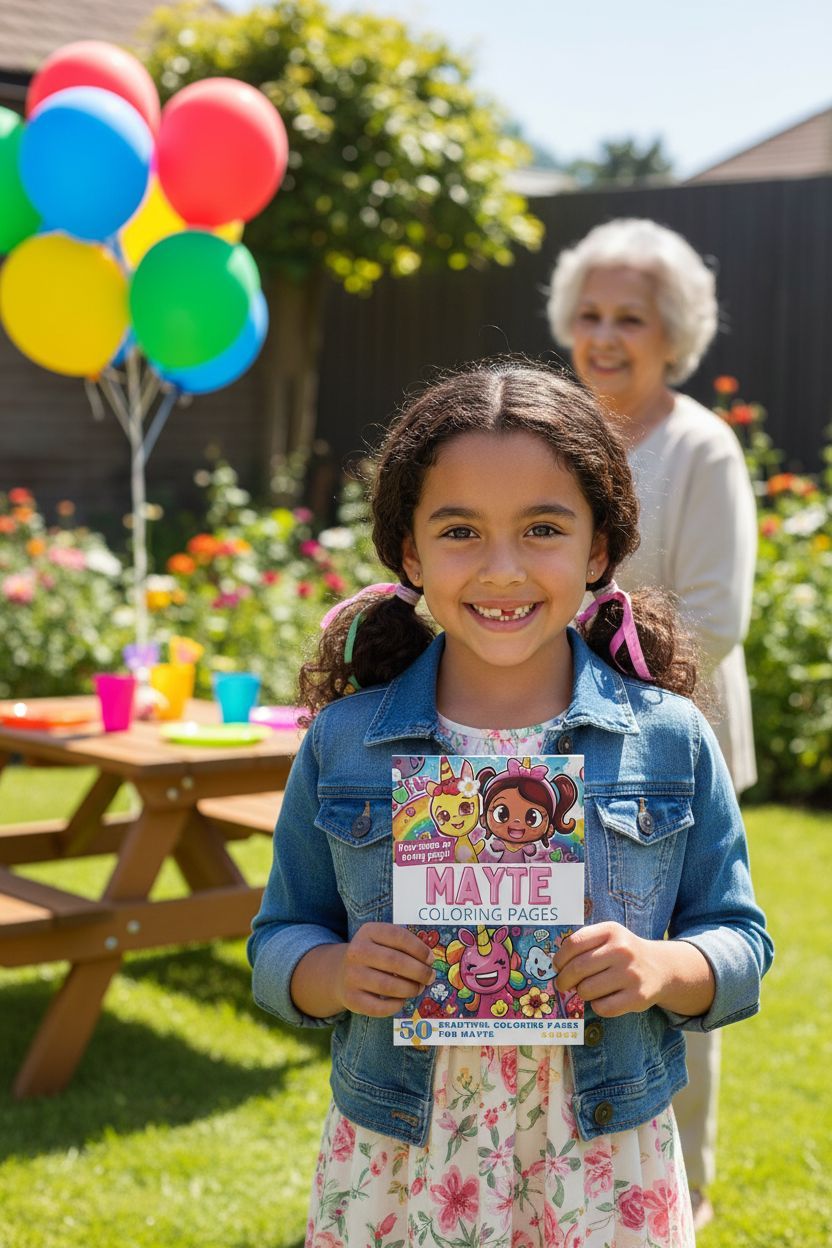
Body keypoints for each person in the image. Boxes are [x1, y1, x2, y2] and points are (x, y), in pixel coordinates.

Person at [248, 360, 772, 1248]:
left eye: (541, 529)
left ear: (599, 547)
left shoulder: (669, 738)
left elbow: (740, 941)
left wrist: (660, 968)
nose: (502, 569)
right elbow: (280, 935)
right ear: (409, 552)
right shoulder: (344, 742)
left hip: (602, 1161)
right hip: (403, 1156)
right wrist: (331, 974)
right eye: (460, 531)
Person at [547, 219, 759, 1228]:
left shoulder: (699, 445)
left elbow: (716, 618)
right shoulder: (551, 431)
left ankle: (685, 1187)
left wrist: (579, 672)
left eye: (627, 317)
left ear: (672, 333)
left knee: (673, 964)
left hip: (672, 750)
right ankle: (570, 1173)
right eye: (588, 314)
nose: (603, 336)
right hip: (550, 744)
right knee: (574, 948)